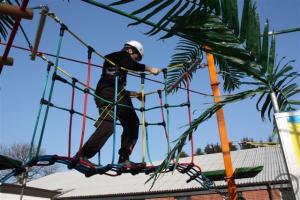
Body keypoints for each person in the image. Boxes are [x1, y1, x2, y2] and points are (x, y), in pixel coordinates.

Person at [76, 40, 160, 164]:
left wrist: (134, 94)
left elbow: (116, 86)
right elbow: (129, 64)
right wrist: (149, 68)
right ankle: (123, 159)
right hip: (112, 94)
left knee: (108, 126)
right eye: (136, 58)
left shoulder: (116, 62)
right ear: (130, 50)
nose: (135, 61)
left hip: (105, 94)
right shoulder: (123, 56)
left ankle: (82, 155)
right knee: (132, 122)